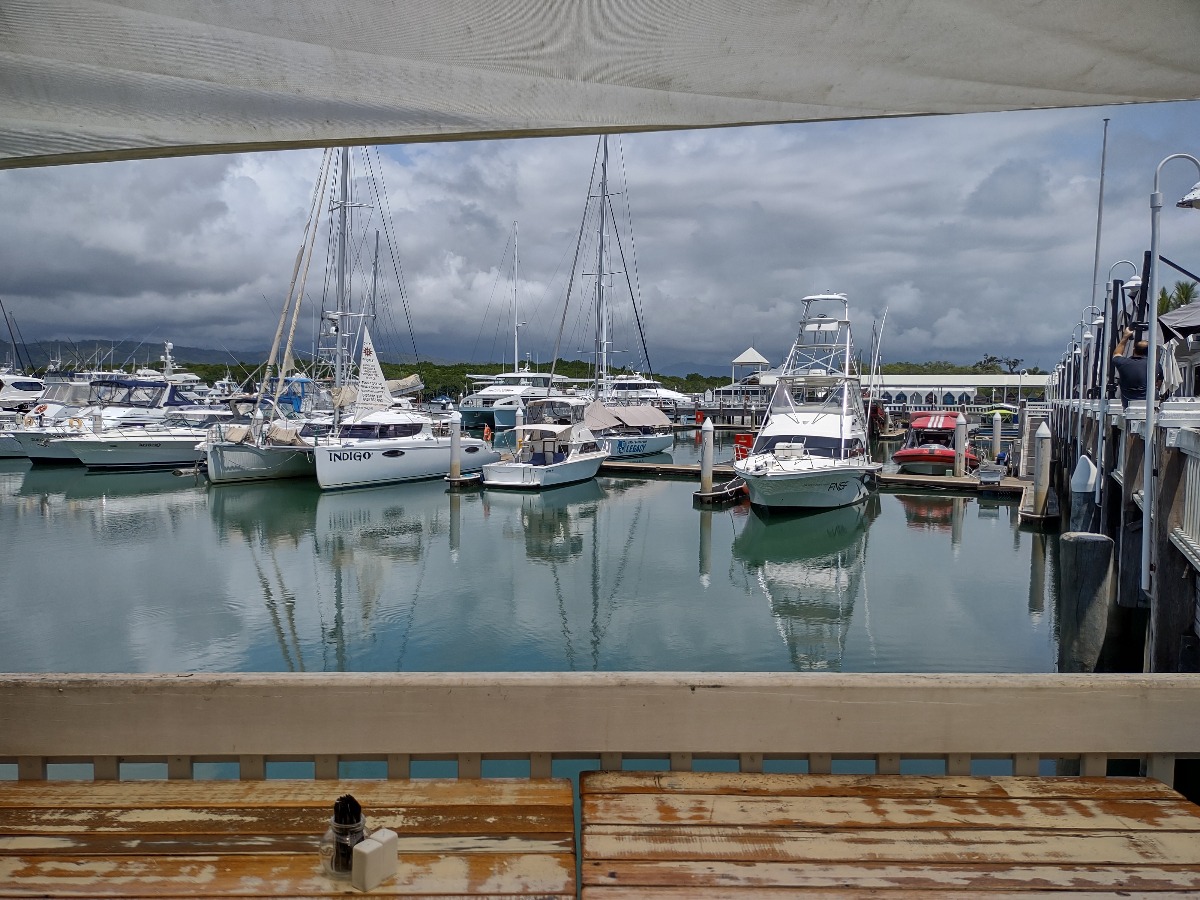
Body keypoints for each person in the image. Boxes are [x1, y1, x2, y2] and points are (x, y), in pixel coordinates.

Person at [1112, 328, 1162, 408]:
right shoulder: (1155, 364)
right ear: (1150, 351)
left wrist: (1125, 337)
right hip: (1151, 405)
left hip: (1129, 406)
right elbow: (1159, 381)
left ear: (1134, 350)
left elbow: (1116, 354)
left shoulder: (1123, 363)